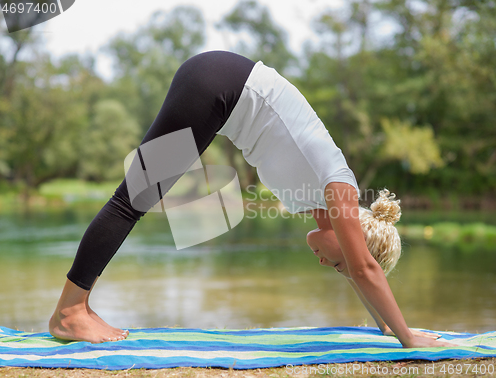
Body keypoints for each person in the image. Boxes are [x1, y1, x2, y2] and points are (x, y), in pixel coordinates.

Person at [49, 50, 452, 348]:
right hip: (218, 87)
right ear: (354, 242)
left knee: (135, 199)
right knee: (131, 201)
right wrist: (407, 338)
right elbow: (365, 268)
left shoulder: (319, 201)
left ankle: (75, 308)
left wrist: (383, 325)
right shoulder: (339, 188)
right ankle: (69, 313)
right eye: (339, 263)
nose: (327, 264)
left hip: (217, 82)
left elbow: (361, 270)